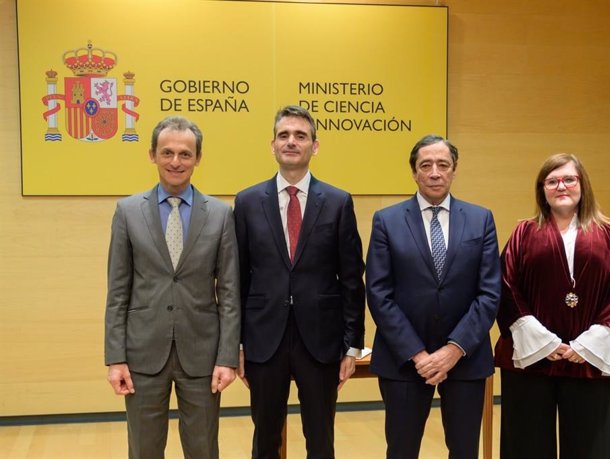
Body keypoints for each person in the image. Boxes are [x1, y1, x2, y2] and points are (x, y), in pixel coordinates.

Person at [104, 116, 241, 459]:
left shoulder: (221, 215)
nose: (176, 161)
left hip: (202, 354)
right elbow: (118, 291)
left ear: (198, 158)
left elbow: (228, 293)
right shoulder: (128, 211)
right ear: (152, 155)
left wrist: (228, 356)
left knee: (203, 449)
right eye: (167, 152)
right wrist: (115, 357)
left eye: (185, 153)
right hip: (142, 352)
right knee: (144, 449)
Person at [233, 105, 366, 459]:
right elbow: (237, 278)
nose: (291, 142)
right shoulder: (246, 203)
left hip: (321, 341)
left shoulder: (338, 202)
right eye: (284, 135)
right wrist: (239, 344)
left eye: (300, 136)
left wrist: (352, 345)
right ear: (272, 145)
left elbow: (352, 278)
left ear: (315, 146)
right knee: (265, 440)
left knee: (320, 440)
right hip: (264, 340)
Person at [366, 134, 501, 459]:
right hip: (404, 360)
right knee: (401, 449)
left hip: (465, 357)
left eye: (443, 164)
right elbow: (379, 292)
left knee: (464, 449)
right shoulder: (387, 220)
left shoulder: (481, 219)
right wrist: (418, 355)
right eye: (426, 165)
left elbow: (489, 291)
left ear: (454, 170)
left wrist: (454, 350)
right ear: (414, 172)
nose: (435, 172)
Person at [495, 153, 610, 459]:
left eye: (569, 179)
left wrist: (585, 344)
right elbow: (506, 286)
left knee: (589, 447)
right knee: (526, 445)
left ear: (582, 184)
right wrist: (545, 342)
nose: (562, 186)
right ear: (542, 189)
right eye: (552, 181)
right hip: (531, 358)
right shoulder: (524, 232)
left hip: (588, 358)